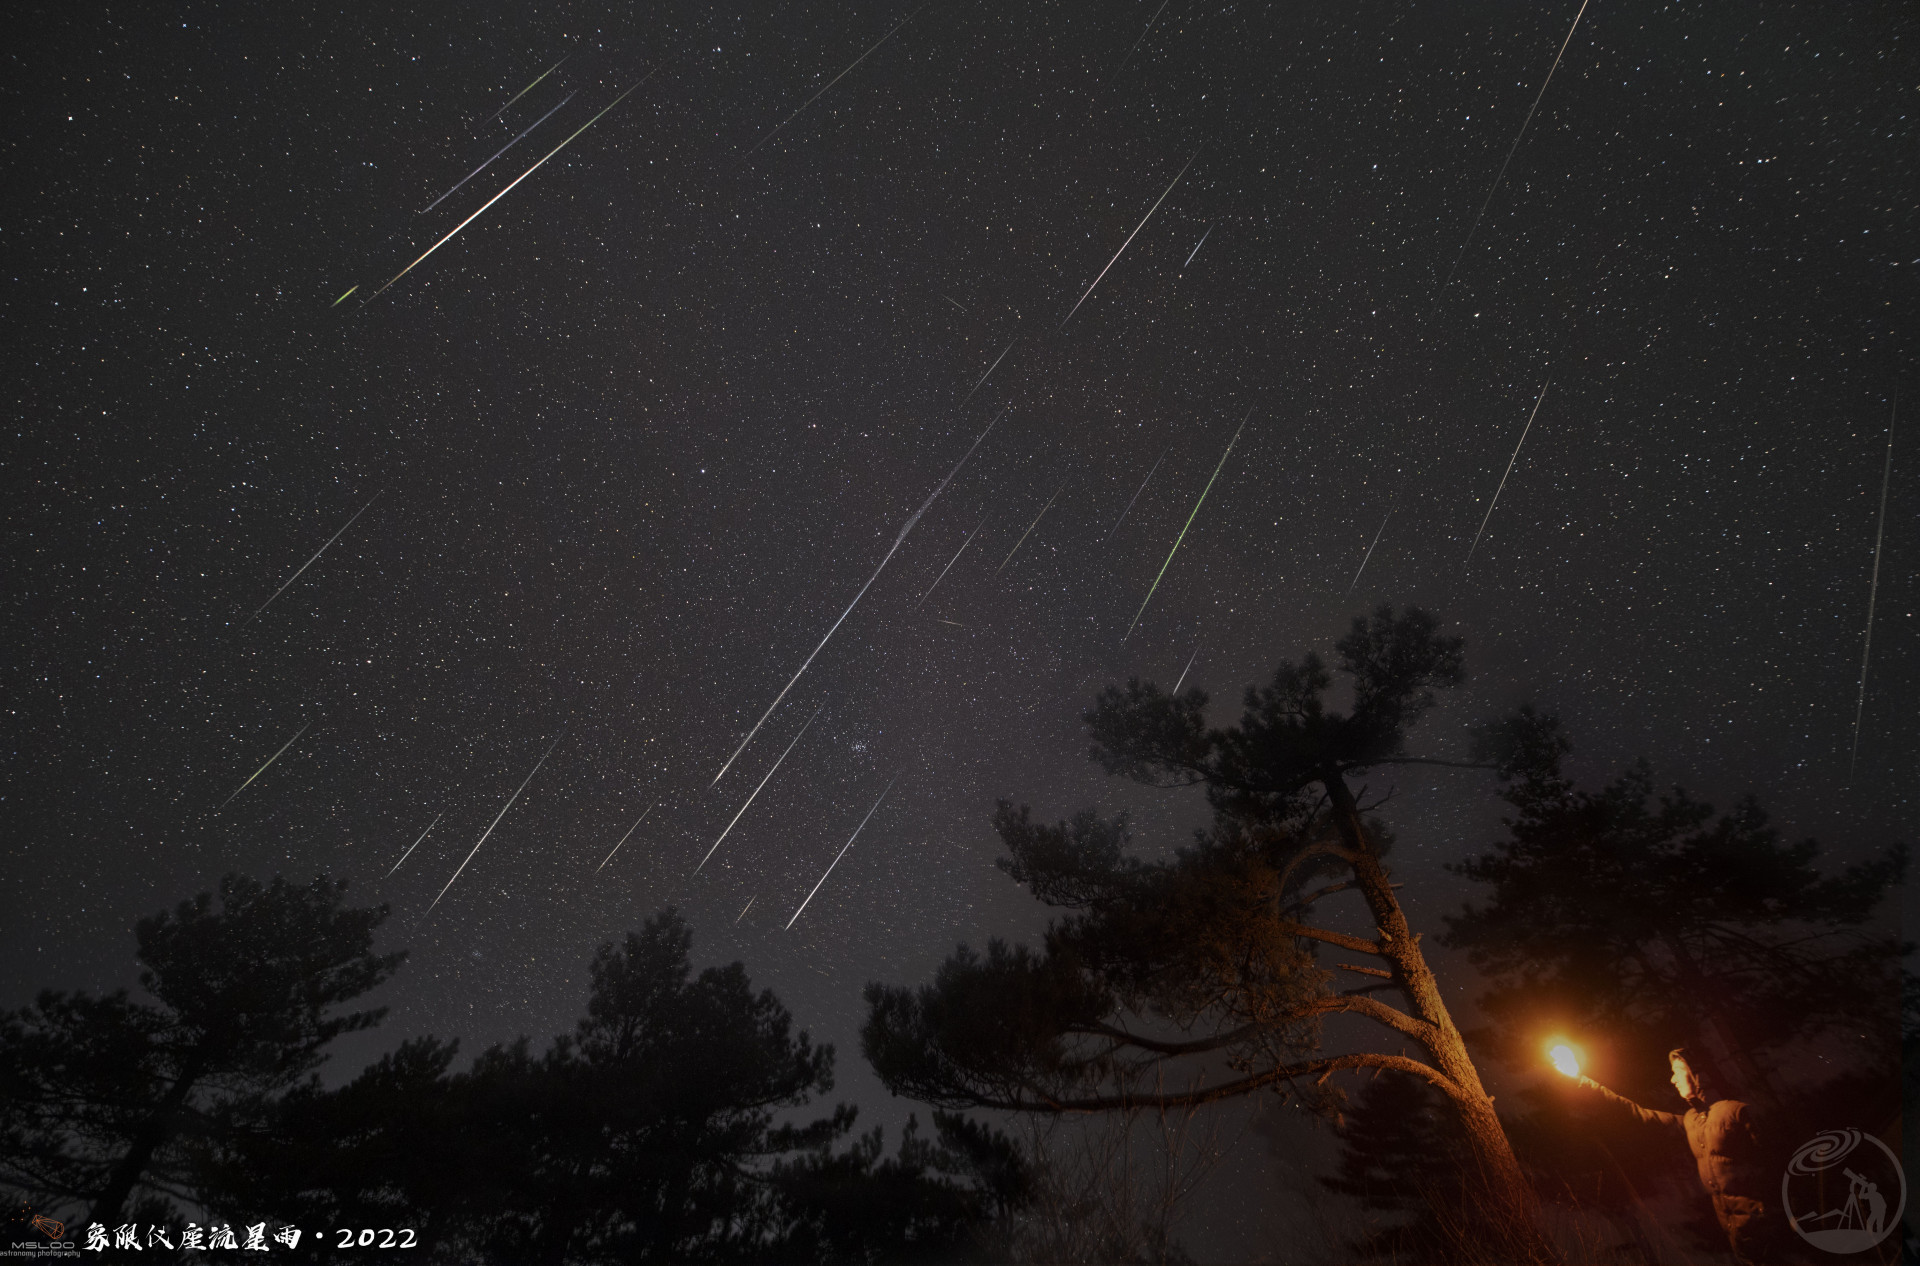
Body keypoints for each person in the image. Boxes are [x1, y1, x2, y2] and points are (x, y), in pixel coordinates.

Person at [1575, 1047, 1798, 1265]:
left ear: (1695, 1073)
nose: (1673, 1080)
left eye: (1677, 1071)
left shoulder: (1736, 1112)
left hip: (1775, 1236)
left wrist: (1791, 1215)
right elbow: (1640, 1115)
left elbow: (1782, 1163)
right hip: (1744, 1242)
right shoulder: (1692, 1121)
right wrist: (1585, 1083)